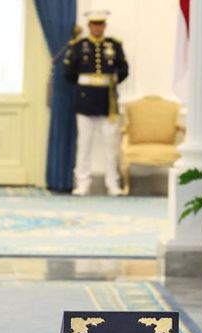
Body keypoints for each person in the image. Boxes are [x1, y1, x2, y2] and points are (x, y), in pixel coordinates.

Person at [64, 10, 128, 196]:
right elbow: (68, 72)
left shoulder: (114, 45)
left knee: (110, 145)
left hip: (107, 101)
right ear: (89, 26)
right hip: (85, 100)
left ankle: (112, 183)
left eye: (100, 24)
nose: (97, 27)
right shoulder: (78, 46)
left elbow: (124, 70)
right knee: (84, 144)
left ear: (104, 26)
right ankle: (82, 182)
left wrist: (112, 83)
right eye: (94, 24)